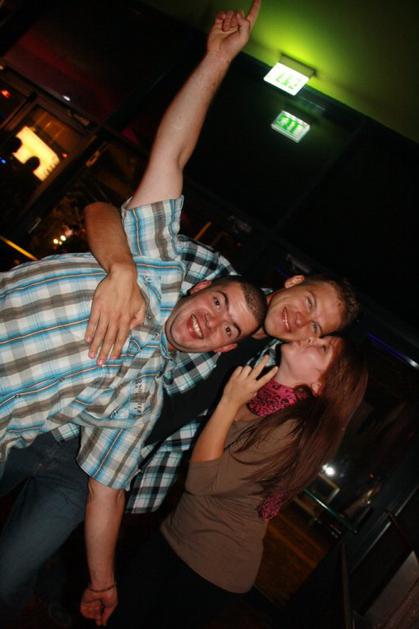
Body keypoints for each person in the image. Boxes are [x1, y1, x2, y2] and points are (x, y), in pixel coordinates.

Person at [0, 1, 266, 624]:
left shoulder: (139, 396)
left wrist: (103, 581)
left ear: (223, 349)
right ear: (201, 288)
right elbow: (171, 154)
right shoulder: (155, 265)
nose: (213, 322)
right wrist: (217, 60)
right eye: (219, 303)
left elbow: (107, 491)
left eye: (228, 329)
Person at [105, 336, 367, 628]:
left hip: (209, 566)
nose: (311, 338)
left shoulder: (291, 431)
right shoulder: (259, 394)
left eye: (322, 347)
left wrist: (229, 402)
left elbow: (201, 481)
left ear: (320, 386)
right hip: (177, 532)